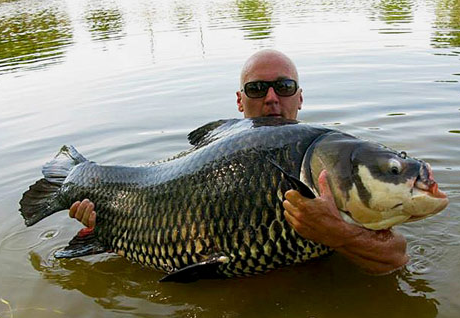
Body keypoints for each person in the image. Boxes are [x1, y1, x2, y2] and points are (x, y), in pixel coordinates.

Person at [70, 49, 408, 275]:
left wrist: (338, 233)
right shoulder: (205, 161)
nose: (272, 99)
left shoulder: (333, 163)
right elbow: (151, 229)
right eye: (257, 89)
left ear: (300, 96)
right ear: (239, 100)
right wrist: (105, 224)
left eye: (284, 87)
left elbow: (396, 257)